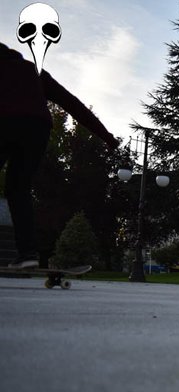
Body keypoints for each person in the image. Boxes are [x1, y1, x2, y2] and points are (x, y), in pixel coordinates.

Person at [0, 41, 118, 269]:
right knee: (19, 189)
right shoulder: (34, 70)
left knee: (16, 188)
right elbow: (72, 103)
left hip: (4, 122)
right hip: (38, 128)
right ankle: (27, 253)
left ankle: (26, 253)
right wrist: (107, 136)